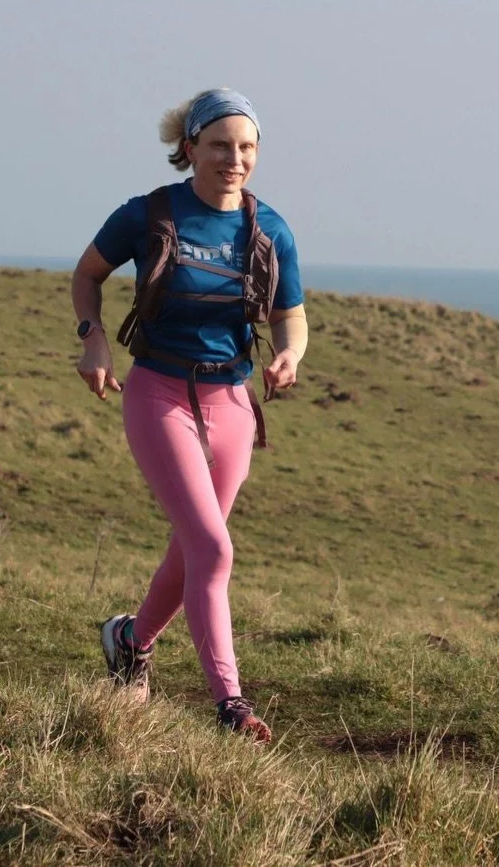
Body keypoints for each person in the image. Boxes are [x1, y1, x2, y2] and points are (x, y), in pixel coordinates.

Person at [70, 88, 308, 742]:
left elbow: (292, 315)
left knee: (193, 548)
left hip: (231, 402)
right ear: (190, 148)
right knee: (212, 545)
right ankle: (230, 703)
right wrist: (92, 337)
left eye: (248, 147)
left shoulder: (270, 229)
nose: (235, 159)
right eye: (221, 146)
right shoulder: (148, 214)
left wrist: (289, 354)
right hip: (158, 393)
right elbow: (87, 274)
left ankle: (130, 641)